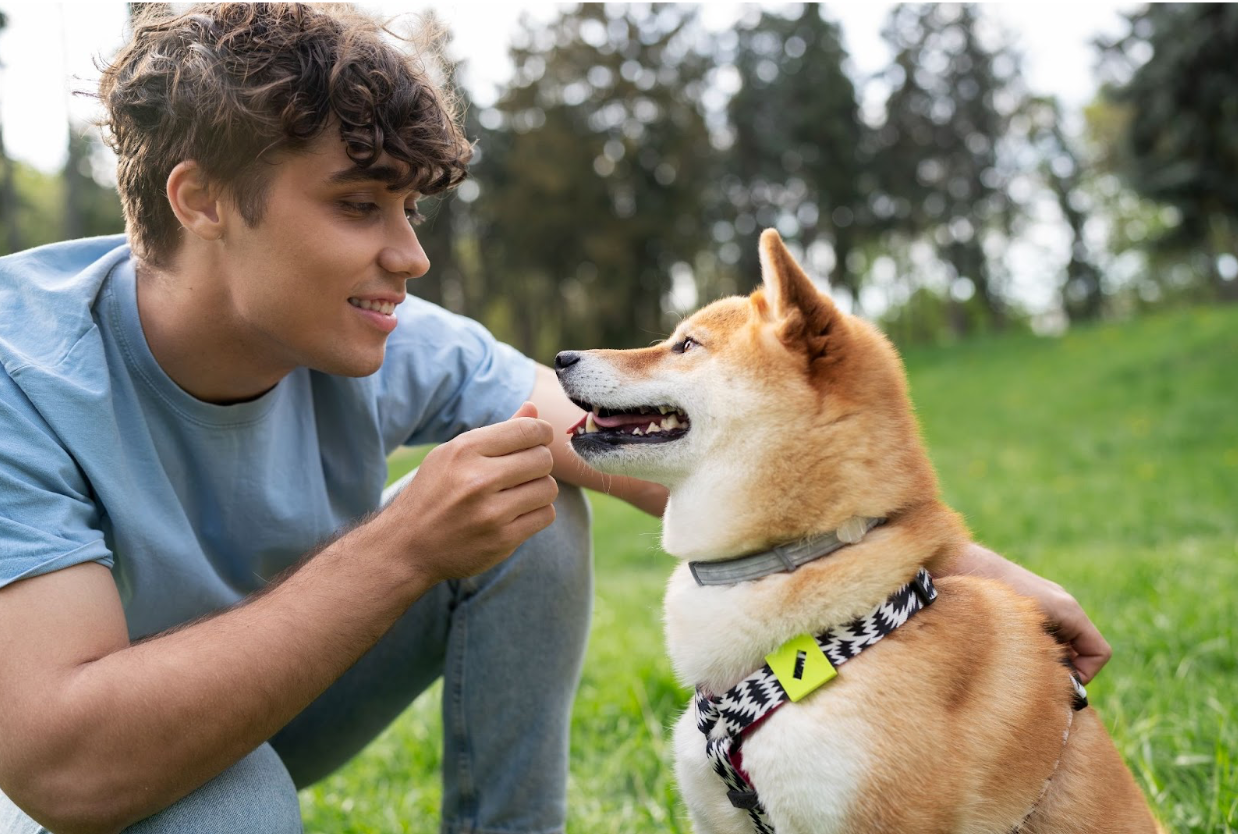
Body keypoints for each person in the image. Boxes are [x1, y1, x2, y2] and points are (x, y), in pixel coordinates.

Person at [0, 4, 1110, 833]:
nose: (411, 255)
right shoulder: (22, 374)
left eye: (410, 208)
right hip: (69, 766)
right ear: (198, 200)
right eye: (356, 206)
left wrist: (967, 569)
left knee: (529, 491)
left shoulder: (381, 335)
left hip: (271, 697)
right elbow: (64, 764)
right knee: (233, 812)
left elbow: (635, 453)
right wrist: (399, 549)